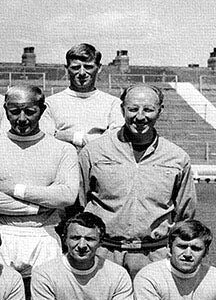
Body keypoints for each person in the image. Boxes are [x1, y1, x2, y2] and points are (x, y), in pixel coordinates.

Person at [79, 84, 196, 279]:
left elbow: (185, 214)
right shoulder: (94, 152)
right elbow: (77, 204)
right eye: (133, 109)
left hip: (153, 256)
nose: (140, 117)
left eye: (148, 109)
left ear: (160, 110)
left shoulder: (177, 157)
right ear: (122, 109)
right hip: (103, 254)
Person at [0, 85, 78, 281]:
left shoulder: (63, 150)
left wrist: (16, 189)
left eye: (30, 111)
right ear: (5, 110)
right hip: (0, 235)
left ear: (42, 110)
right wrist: (38, 207)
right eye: (14, 112)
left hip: (44, 236)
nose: (22, 119)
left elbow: (67, 195)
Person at [42, 43, 124, 150]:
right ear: (66, 69)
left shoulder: (113, 103)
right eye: (75, 67)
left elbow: (114, 140)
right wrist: (98, 137)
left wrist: (73, 137)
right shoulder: (50, 103)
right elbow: (46, 139)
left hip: (99, 163)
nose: (82, 73)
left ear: (99, 68)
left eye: (88, 67)